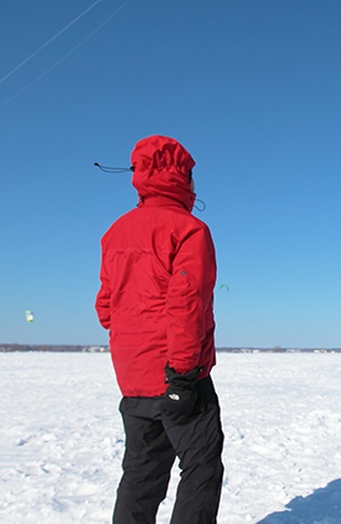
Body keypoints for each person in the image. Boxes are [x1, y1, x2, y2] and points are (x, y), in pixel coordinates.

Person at [95, 135, 224, 523]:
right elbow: (186, 304)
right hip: (177, 376)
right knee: (201, 469)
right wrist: (183, 376)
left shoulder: (116, 232)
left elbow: (105, 308)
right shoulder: (189, 229)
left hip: (133, 379)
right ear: (181, 176)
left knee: (141, 475)